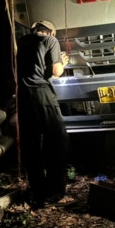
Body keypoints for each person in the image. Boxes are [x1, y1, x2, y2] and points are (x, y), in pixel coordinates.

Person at [16, 20, 69, 206]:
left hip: (22, 98)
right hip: (42, 96)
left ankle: (37, 192)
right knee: (56, 141)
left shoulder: (21, 42)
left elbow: (33, 69)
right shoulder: (50, 41)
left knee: (32, 146)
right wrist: (62, 62)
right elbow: (56, 71)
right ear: (50, 32)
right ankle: (55, 191)